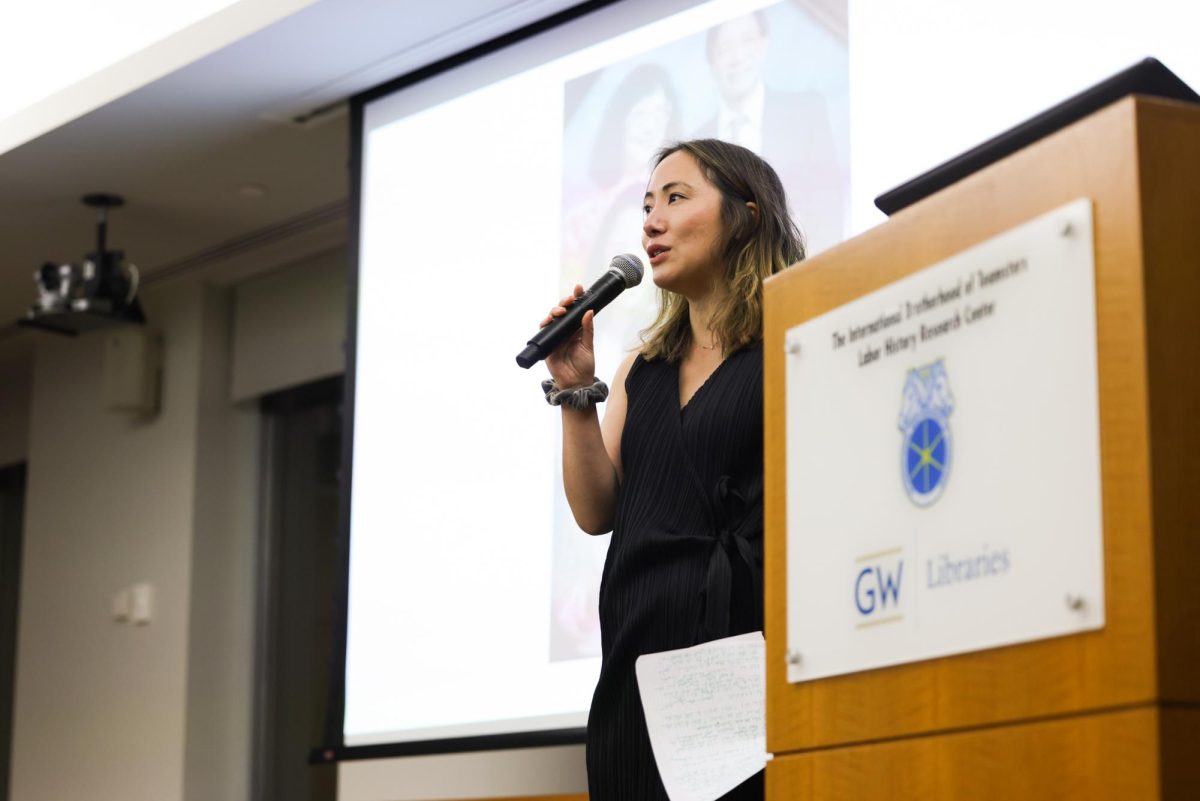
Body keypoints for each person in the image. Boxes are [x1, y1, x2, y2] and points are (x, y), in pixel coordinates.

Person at [539, 139, 805, 800]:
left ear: (745, 215)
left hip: (742, 657)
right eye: (647, 205)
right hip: (637, 666)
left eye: (676, 198)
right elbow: (598, 510)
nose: (651, 221)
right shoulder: (642, 368)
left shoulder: (796, 338)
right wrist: (577, 391)